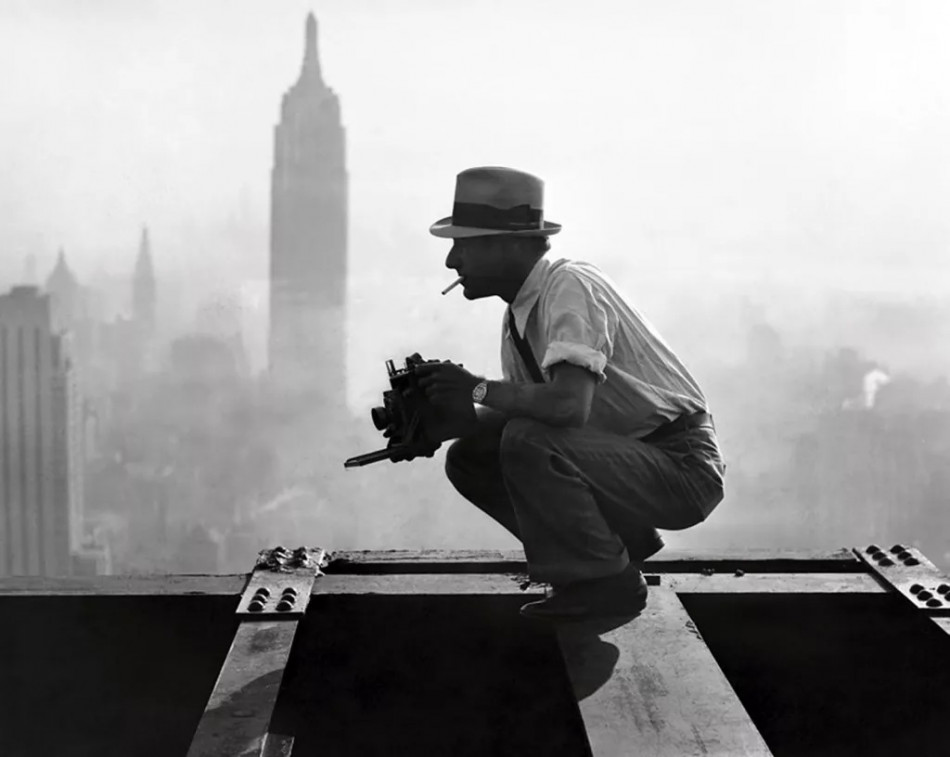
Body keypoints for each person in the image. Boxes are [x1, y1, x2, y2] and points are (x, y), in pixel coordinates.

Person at [415, 166, 725, 621]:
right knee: (469, 456)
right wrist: (443, 423)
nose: (451, 261)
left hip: (681, 466)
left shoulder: (569, 286)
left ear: (509, 245)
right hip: (628, 460)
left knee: (526, 439)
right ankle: (606, 555)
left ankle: (607, 582)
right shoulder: (520, 318)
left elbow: (566, 407)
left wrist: (477, 387)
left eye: (463, 245)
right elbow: (526, 413)